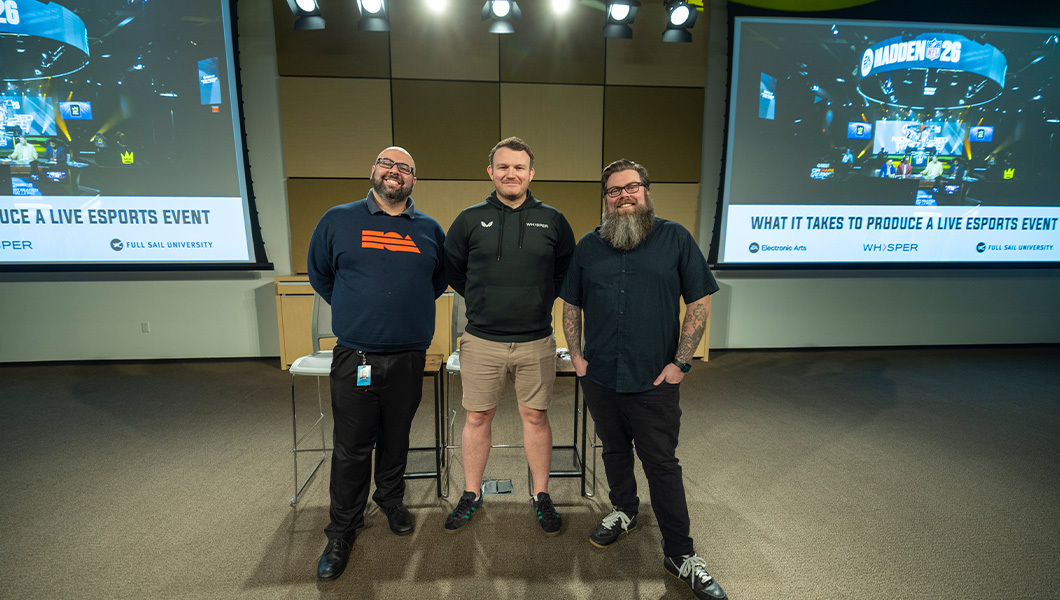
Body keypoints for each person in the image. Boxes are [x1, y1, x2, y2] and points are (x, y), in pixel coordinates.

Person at [560, 159, 726, 600]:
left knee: (661, 464)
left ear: (646, 191)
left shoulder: (675, 239)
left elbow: (699, 302)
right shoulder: (589, 246)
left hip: (655, 379)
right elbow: (571, 303)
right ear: (606, 199)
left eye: (631, 187)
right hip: (600, 376)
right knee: (614, 449)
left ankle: (680, 553)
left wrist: (681, 363)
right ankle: (624, 510)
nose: (624, 196)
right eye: (614, 190)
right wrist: (576, 356)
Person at [307, 146, 446, 582]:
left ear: (413, 180)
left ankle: (390, 498)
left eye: (405, 167)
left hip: (409, 355)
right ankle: (342, 530)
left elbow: (436, 281)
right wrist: (358, 310)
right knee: (351, 446)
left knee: (396, 436)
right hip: (357, 356)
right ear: (373, 171)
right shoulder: (338, 219)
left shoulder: (429, 229)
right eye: (387, 163)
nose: (394, 171)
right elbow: (321, 275)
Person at [442, 136, 576, 535]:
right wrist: (485, 299)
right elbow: (454, 271)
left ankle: (540, 495)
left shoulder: (553, 220)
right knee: (477, 416)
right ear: (491, 172)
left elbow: (564, 273)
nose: (511, 173)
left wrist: (535, 298)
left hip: (536, 340)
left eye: (519, 167)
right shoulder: (469, 219)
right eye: (503, 167)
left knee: (535, 416)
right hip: (482, 339)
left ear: (531, 173)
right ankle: (471, 493)